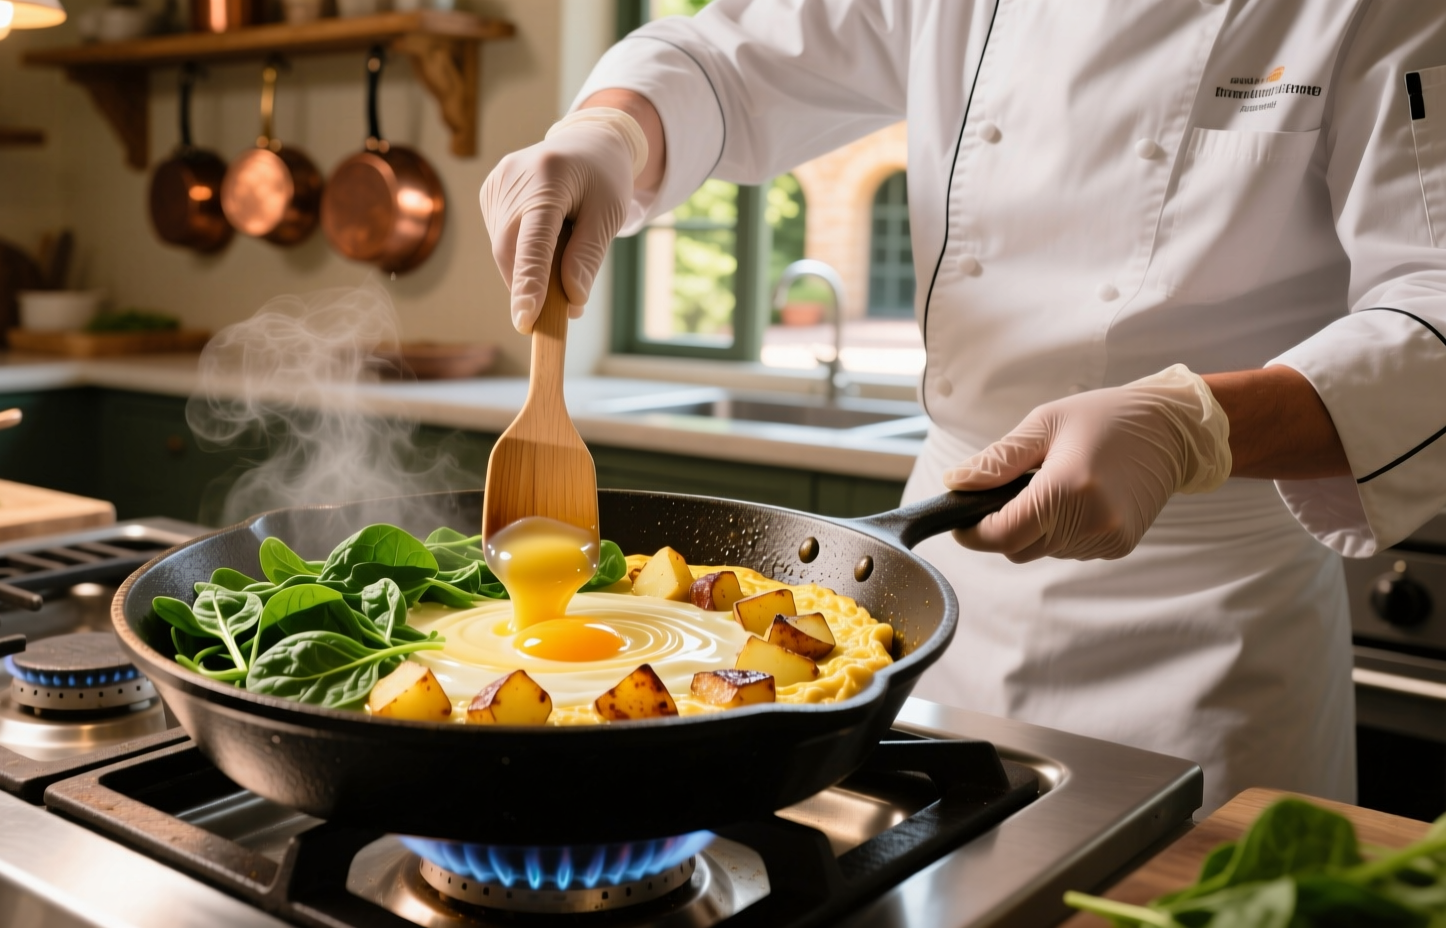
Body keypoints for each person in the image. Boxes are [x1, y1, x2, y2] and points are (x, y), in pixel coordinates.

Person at [480, 0, 1446, 810]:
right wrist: (609, 131)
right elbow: (729, 59)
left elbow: (1434, 311)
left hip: (1210, 632)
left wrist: (1194, 426)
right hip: (938, 608)